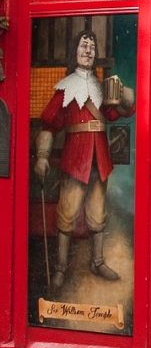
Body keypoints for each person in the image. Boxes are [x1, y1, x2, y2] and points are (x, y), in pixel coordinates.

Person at [34, 30, 134, 289]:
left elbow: (122, 111)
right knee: (66, 213)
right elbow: (49, 126)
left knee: (98, 212)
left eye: (92, 46)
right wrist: (42, 157)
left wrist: (123, 91)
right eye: (83, 45)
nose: (88, 50)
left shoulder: (103, 88)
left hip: (99, 158)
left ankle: (97, 261)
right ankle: (61, 267)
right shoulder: (64, 88)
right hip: (74, 159)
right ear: (75, 52)